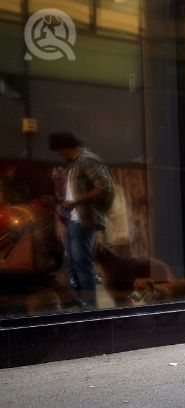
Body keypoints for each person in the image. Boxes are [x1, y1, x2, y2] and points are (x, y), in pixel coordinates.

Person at [49, 132, 115, 308]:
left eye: (59, 151)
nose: (60, 155)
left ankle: (89, 308)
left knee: (81, 263)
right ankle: (77, 305)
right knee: (72, 264)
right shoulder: (76, 163)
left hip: (85, 220)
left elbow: (104, 186)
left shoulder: (87, 160)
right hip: (74, 219)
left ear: (64, 148)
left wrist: (76, 202)